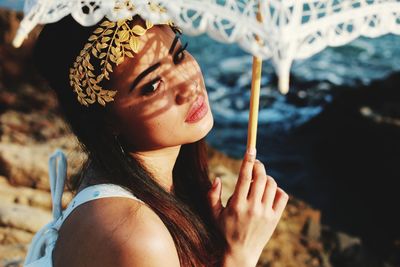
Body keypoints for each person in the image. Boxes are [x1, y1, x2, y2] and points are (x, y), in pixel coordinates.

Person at [26, 12, 289, 267]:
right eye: (152, 85)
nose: (188, 86)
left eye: (178, 55)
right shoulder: (135, 234)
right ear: (107, 121)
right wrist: (241, 254)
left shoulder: (132, 188)